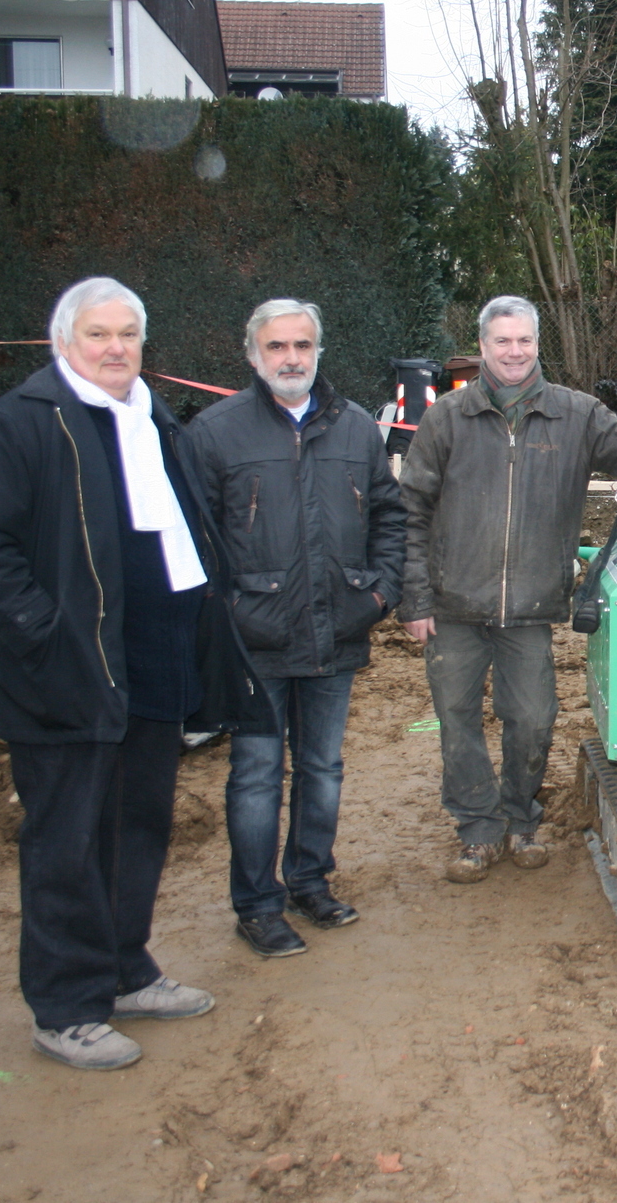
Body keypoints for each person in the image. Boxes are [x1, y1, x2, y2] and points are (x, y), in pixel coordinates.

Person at [0, 277, 273, 1071]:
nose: (116, 347)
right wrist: (43, 632)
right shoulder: (19, 426)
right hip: (64, 672)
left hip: (150, 662)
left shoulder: (151, 418)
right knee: (66, 839)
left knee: (138, 823)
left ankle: (125, 968)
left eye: (128, 333)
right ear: (64, 343)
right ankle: (65, 1005)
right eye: (98, 334)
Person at [401, 295, 617, 883]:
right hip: (453, 603)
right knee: (456, 720)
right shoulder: (447, 418)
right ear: (482, 347)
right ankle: (478, 831)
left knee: (532, 719)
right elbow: (409, 511)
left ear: (538, 345)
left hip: (530, 607)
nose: (514, 352)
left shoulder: (574, 414)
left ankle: (520, 818)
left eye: (524, 341)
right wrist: (413, 597)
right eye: (502, 341)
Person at [188, 299, 406, 958]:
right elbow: (195, 541)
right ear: (253, 355)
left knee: (323, 767)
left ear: (318, 352)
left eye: (303, 346)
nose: (291, 358)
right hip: (253, 641)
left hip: (336, 630)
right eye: (278, 346)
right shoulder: (214, 432)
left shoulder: (356, 430)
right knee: (256, 774)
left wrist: (380, 593)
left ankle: (309, 878)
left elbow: (389, 519)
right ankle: (256, 904)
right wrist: (224, 615)